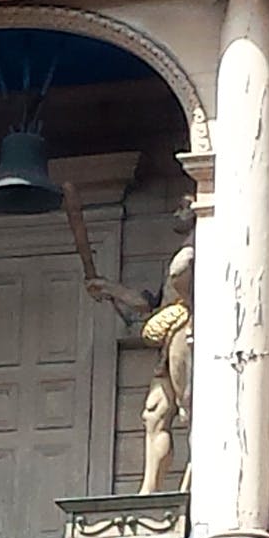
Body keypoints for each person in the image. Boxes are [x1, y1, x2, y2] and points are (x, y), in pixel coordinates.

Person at [82, 197, 194, 494]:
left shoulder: (199, 246)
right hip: (169, 340)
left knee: (191, 411)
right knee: (154, 415)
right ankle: (148, 492)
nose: (177, 211)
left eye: (183, 206)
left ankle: (194, 487)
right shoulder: (183, 250)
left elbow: (180, 275)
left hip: (187, 334)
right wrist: (108, 287)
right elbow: (152, 303)